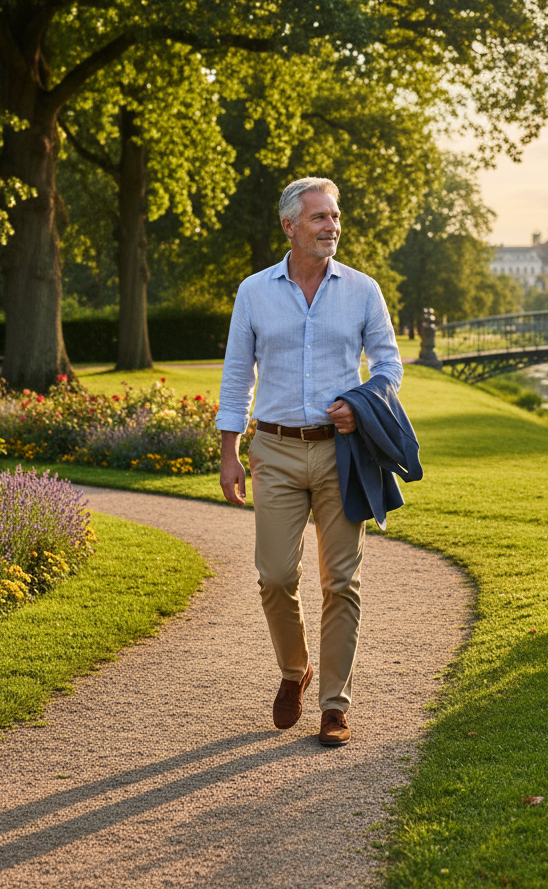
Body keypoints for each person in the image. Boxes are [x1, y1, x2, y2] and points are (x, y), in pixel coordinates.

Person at [216, 176, 403, 747]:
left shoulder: (363, 291)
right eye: (320, 217)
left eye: (335, 217)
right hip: (272, 450)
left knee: (341, 580)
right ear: (290, 226)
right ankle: (295, 670)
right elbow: (235, 375)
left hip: (341, 453)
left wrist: (359, 404)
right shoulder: (253, 292)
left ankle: (334, 705)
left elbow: (389, 368)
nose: (332, 227)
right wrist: (230, 453)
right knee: (274, 576)